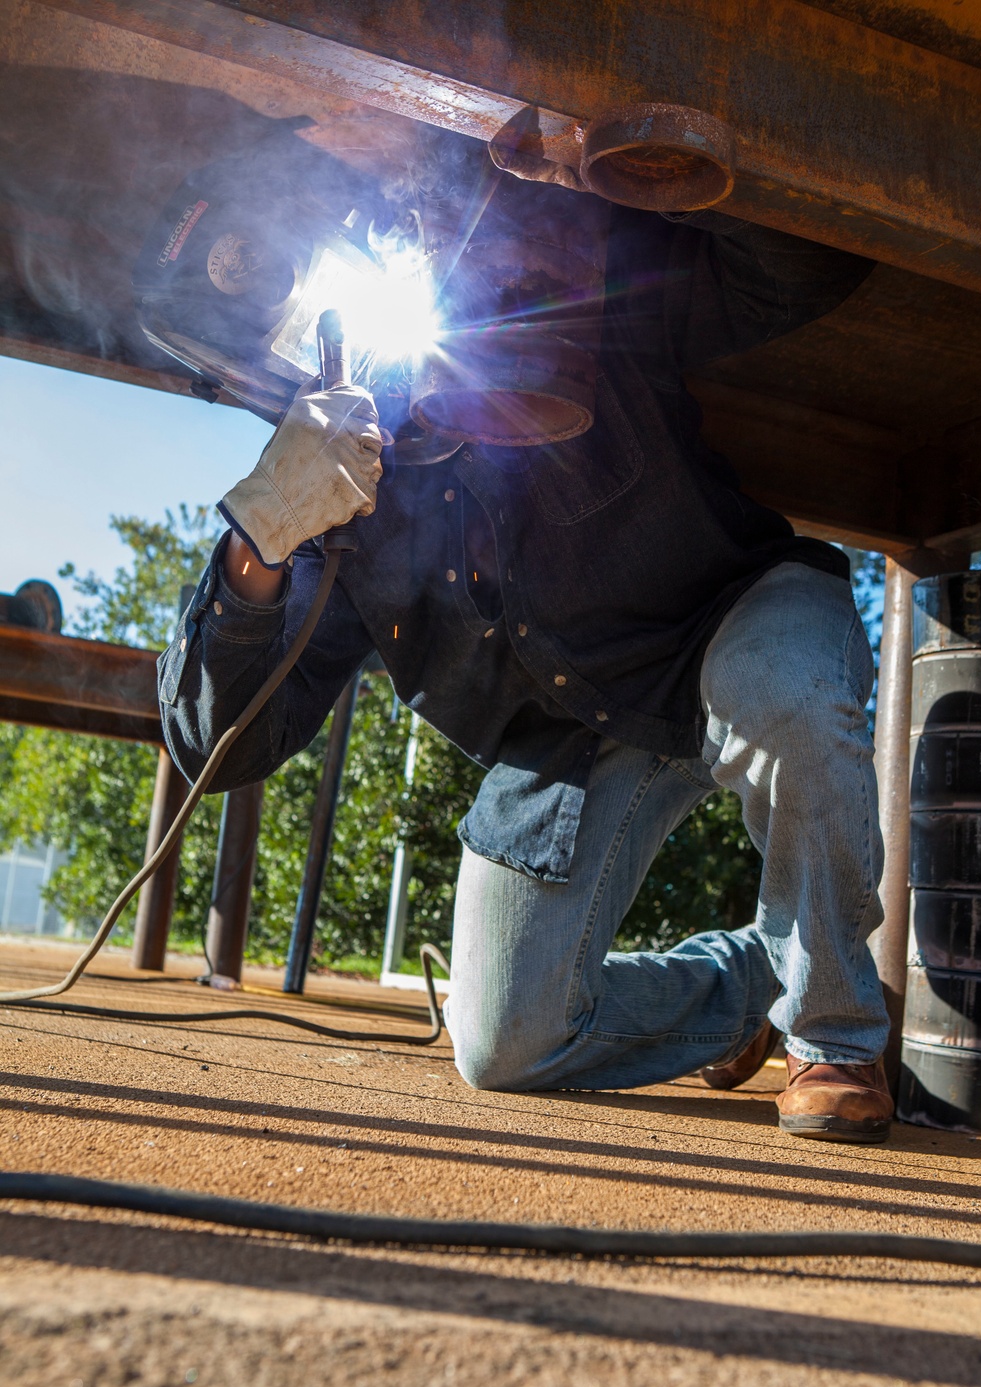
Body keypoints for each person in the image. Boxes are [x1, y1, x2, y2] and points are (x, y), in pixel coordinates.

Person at [159, 193, 895, 1143]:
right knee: (505, 1044)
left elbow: (805, 265)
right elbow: (217, 749)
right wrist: (258, 542)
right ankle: (757, 979)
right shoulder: (336, 512)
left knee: (791, 701)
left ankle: (833, 1034)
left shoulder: (571, 307)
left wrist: (661, 171)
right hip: (578, 733)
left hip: (729, 619)